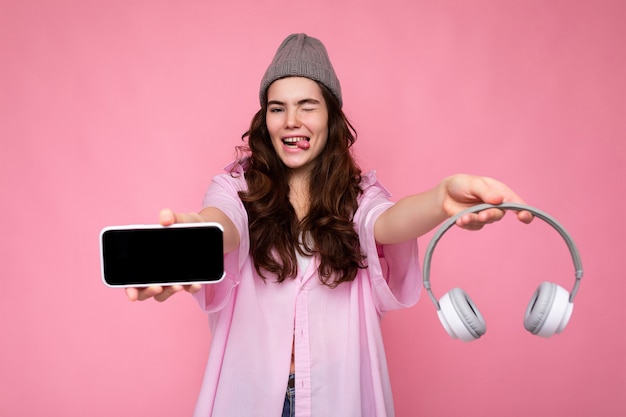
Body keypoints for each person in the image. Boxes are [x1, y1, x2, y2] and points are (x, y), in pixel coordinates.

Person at [125, 33, 533, 417]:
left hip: (336, 399)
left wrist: (440, 200)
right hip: (250, 397)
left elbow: (386, 221)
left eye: (307, 105)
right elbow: (223, 222)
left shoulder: (358, 198)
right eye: (277, 108)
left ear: (331, 115)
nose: (291, 121)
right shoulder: (234, 189)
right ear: (264, 118)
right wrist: (195, 231)